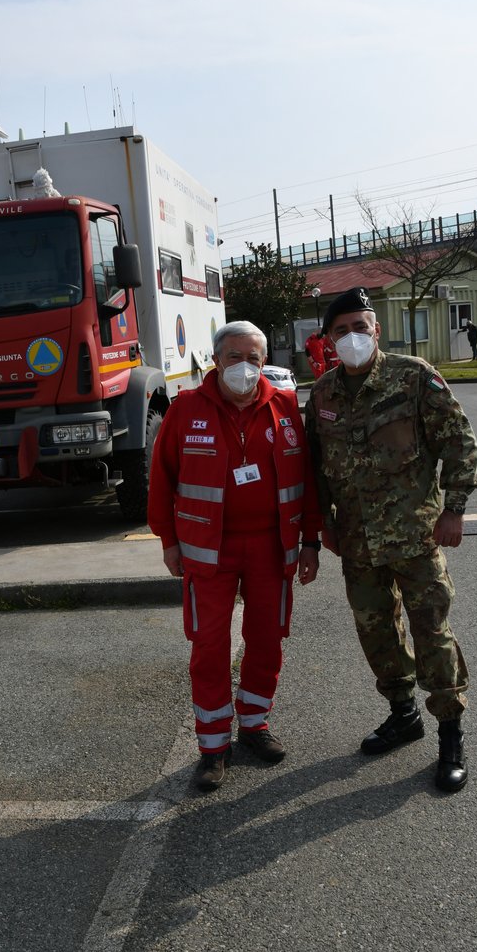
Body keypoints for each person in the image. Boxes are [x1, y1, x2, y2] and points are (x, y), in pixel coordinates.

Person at [305, 287, 477, 793]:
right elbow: (314, 468)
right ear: (327, 340)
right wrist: (324, 525)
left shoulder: (413, 376)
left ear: (376, 329)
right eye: (342, 331)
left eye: (361, 327)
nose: (353, 337)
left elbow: (458, 440)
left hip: (416, 537)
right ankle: (403, 714)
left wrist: (455, 509)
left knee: (432, 632)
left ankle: (450, 732)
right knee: (375, 632)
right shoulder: (323, 396)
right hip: (357, 544)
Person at [148, 320, 321, 791]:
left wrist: (310, 542)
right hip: (208, 552)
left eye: (253, 358)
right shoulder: (186, 409)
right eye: (234, 357)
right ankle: (212, 745)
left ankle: (254, 725)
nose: (244, 367)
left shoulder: (285, 406)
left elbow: (306, 480)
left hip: (272, 547)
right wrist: (167, 541)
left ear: (264, 362)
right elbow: (161, 480)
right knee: (209, 646)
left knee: (267, 639)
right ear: (216, 360)